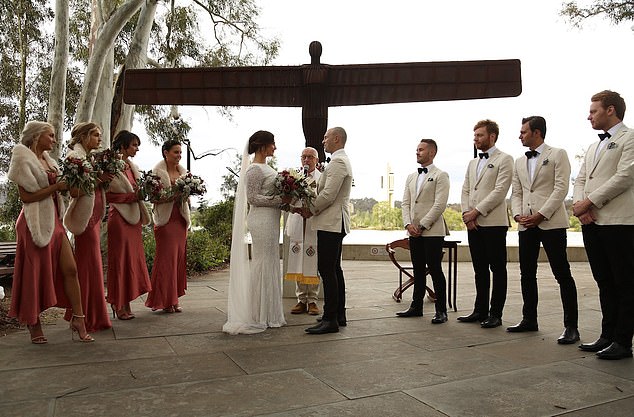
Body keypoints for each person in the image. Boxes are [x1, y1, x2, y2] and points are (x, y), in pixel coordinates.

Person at [7, 120, 93, 343]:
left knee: (71, 269)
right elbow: (25, 198)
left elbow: (68, 191)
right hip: (32, 222)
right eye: (51, 136)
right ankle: (34, 324)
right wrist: (56, 187)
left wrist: (82, 180)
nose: (54, 140)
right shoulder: (22, 158)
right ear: (37, 136)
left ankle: (79, 318)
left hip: (55, 221)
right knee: (33, 274)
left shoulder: (50, 162)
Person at [573, 90, 634, 360]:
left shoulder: (629, 138)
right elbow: (580, 179)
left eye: (594, 111)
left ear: (611, 110)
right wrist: (580, 207)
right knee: (603, 281)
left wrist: (591, 202)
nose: (589, 116)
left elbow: (625, 176)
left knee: (625, 283)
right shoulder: (593, 146)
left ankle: (623, 341)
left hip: (619, 222)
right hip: (592, 223)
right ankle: (606, 335)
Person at [509, 116, 579, 344]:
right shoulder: (519, 161)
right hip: (525, 224)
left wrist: (541, 215)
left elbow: (561, 188)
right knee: (526, 273)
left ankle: (571, 327)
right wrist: (518, 215)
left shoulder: (558, 154)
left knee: (562, 273)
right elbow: (517, 192)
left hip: (551, 222)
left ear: (537, 132)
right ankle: (529, 319)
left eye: (523, 132)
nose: (520, 136)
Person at [223, 130, 290, 334]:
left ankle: (269, 313)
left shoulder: (266, 167)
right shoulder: (254, 170)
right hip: (260, 220)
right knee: (263, 261)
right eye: (273, 144)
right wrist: (280, 200)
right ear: (263, 146)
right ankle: (258, 314)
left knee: (270, 261)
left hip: (270, 218)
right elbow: (252, 198)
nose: (275, 147)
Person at [460, 119, 513, 328]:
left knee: (497, 268)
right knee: (479, 268)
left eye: (480, 135)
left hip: (493, 222)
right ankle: (479, 309)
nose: (476, 139)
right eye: (474, 136)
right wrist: (466, 213)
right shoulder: (472, 162)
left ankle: (495, 313)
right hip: (473, 223)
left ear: (492, 136)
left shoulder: (505, 159)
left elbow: (500, 191)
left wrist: (476, 212)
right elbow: (465, 189)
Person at [62, 122, 113, 333]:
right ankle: (84, 316)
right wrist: (98, 180)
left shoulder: (89, 158)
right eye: (95, 135)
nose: (99, 139)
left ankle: (87, 314)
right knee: (87, 266)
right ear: (83, 136)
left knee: (92, 265)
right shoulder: (75, 157)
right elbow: (74, 191)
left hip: (94, 216)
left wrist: (102, 181)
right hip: (84, 219)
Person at [303, 127, 353, 335]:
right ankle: (338, 314)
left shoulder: (339, 162)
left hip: (331, 223)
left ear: (337, 139)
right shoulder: (337, 161)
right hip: (333, 223)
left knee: (327, 270)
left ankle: (330, 318)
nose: (323, 141)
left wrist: (310, 209)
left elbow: (329, 195)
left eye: (325, 137)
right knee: (335, 269)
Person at [397, 139, 450, 323]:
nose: (417, 152)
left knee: (435, 269)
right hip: (413, 231)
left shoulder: (441, 175)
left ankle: (441, 310)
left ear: (432, 153)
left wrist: (422, 225)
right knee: (418, 269)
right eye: (416, 149)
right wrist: (408, 225)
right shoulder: (411, 176)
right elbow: (405, 202)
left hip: (432, 231)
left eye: (421, 149)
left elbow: (439, 204)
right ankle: (416, 306)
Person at [106, 130, 151, 320]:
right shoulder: (110, 166)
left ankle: (127, 302)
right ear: (123, 146)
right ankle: (118, 302)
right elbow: (107, 195)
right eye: (134, 145)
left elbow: (136, 191)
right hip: (119, 218)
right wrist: (132, 196)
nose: (137, 149)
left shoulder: (132, 167)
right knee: (120, 262)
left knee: (132, 261)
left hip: (134, 220)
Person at [145, 140, 190, 313]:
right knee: (166, 261)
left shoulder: (184, 173)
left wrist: (188, 192)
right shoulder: (156, 172)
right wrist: (174, 194)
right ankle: (163, 300)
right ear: (165, 152)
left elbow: (185, 198)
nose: (179, 156)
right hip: (165, 221)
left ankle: (173, 299)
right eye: (175, 152)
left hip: (180, 220)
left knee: (177, 260)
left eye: (180, 153)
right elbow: (154, 199)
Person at [286, 147, 321, 316]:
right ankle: (301, 300)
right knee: (298, 258)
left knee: (312, 259)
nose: (306, 160)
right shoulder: (294, 178)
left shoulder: (322, 178)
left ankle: (313, 300)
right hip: (299, 221)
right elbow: (289, 200)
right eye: (304, 157)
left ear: (316, 159)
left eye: (310, 157)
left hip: (314, 222)